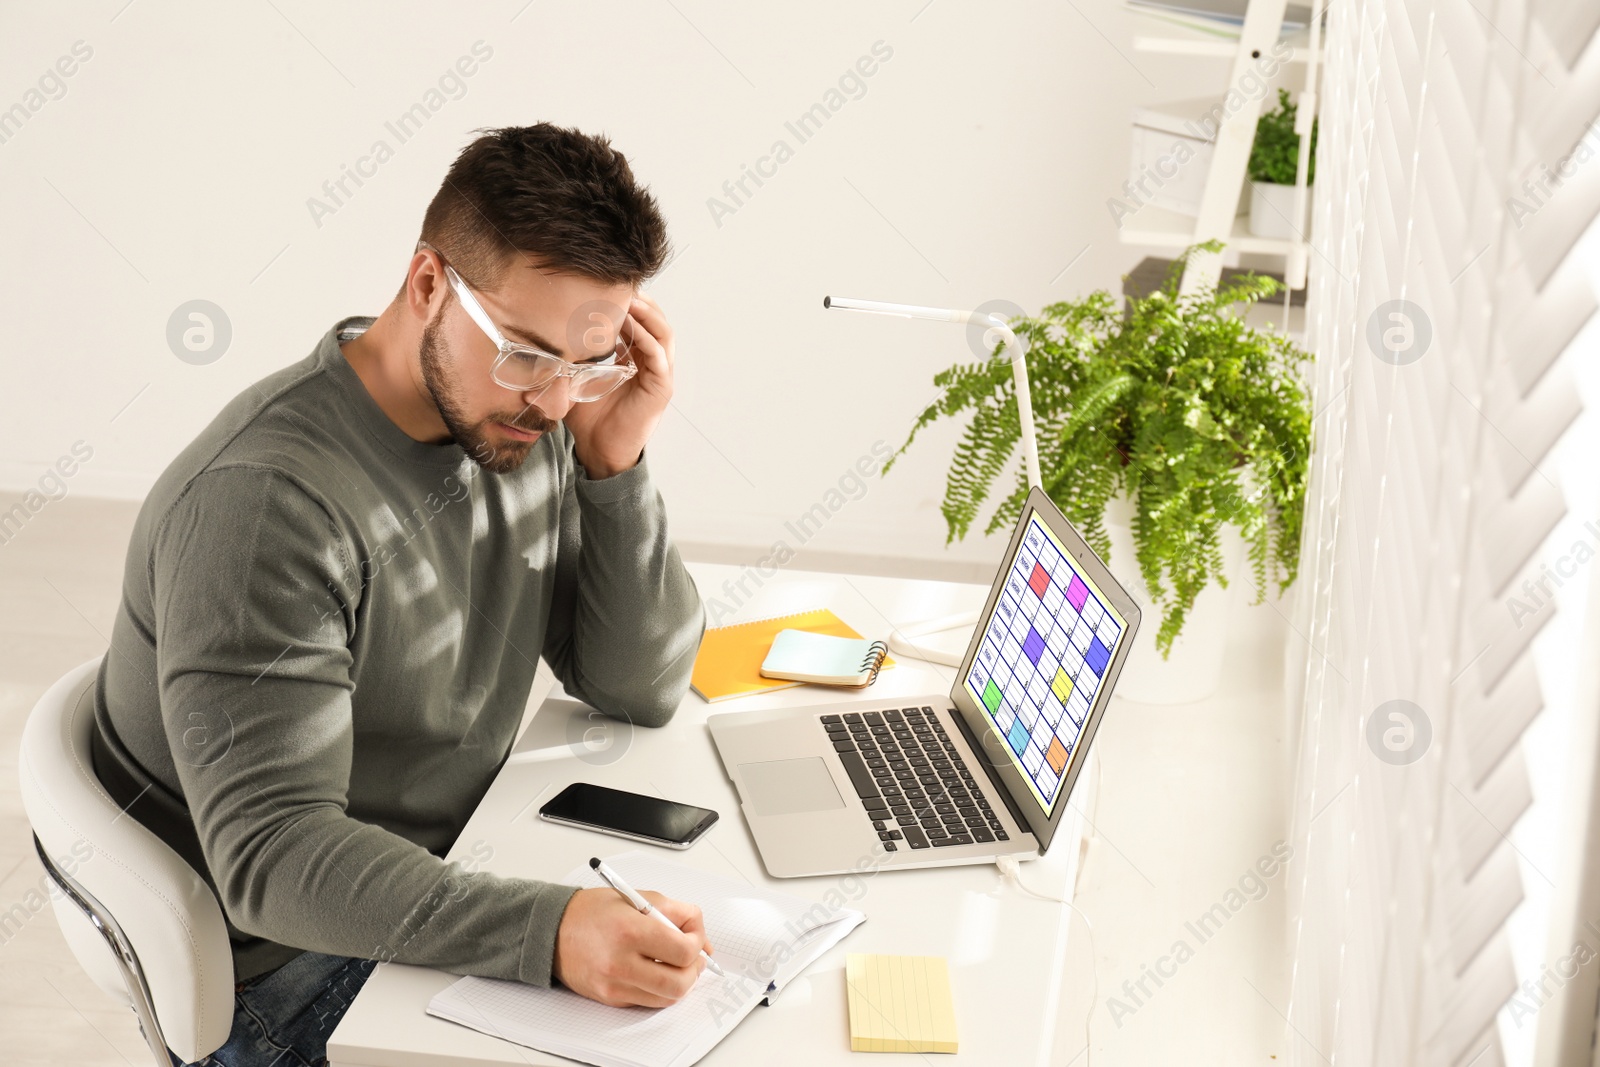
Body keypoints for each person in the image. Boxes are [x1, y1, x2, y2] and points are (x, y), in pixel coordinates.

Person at [89, 124, 712, 1067]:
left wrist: (613, 457)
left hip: (438, 879)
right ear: (428, 283)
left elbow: (636, 682)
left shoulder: (521, 426)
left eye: (584, 365)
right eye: (527, 353)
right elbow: (274, 856)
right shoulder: (267, 507)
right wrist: (548, 933)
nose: (551, 400)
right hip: (283, 976)